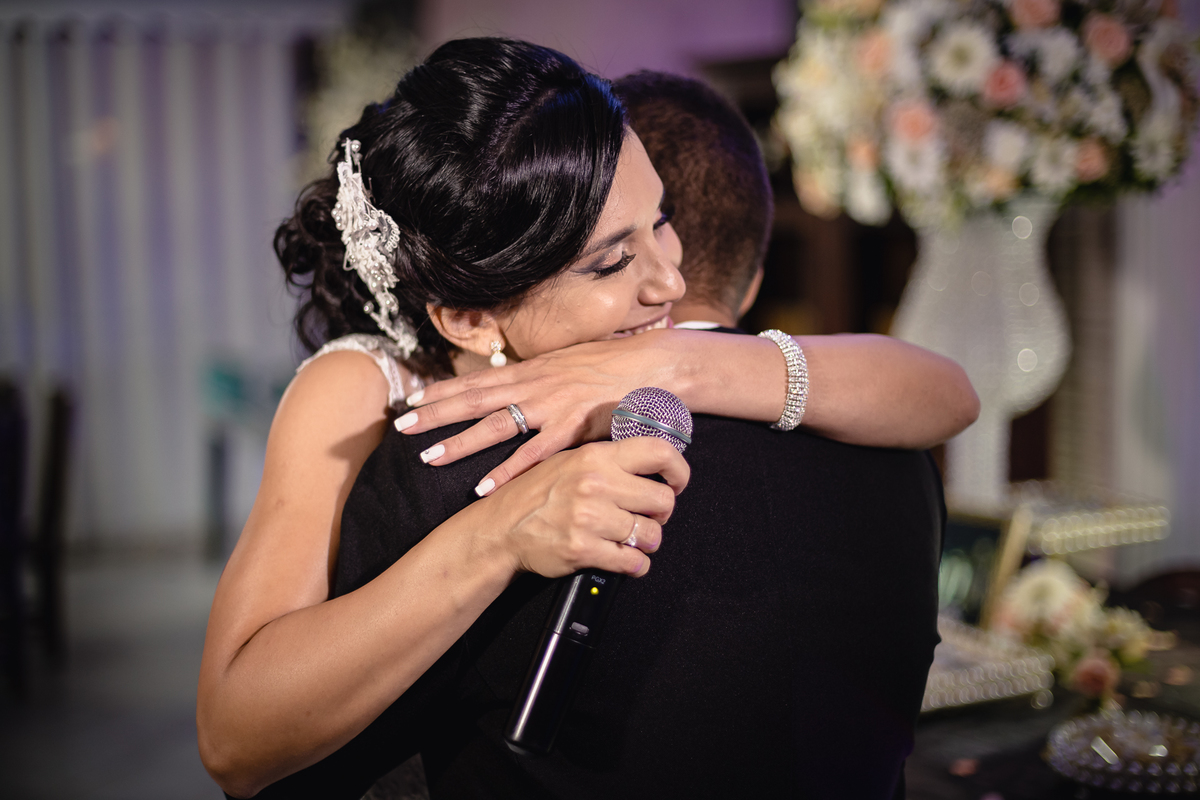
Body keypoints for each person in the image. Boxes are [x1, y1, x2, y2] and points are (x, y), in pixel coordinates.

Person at [197, 39, 975, 798]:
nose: (671, 280)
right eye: (610, 263)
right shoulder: (358, 391)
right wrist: (499, 534)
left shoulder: (646, 348)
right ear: (468, 321)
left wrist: (664, 363)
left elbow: (947, 395)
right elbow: (235, 741)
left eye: (662, 220)